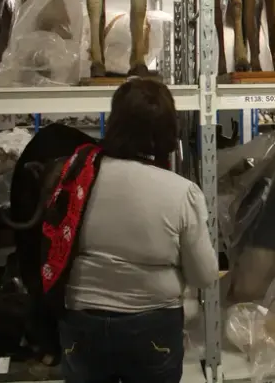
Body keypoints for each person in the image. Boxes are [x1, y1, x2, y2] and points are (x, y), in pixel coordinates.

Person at [57, 78, 220, 383]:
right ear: (169, 128)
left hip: (82, 320)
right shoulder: (181, 192)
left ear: (115, 122)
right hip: (152, 326)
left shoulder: (79, 178)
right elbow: (204, 275)